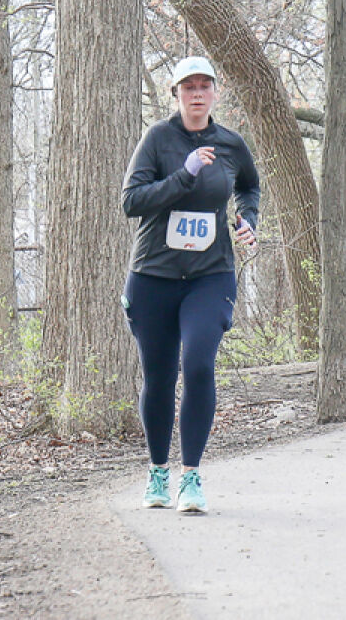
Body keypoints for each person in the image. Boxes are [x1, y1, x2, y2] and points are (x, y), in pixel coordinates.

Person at [120, 56, 260, 514]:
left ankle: (192, 478)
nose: (196, 94)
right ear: (176, 95)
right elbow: (132, 202)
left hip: (210, 274)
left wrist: (247, 219)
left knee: (198, 365)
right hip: (154, 276)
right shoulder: (158, 139)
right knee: (159, 377)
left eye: (204, 86)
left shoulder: (230, 143)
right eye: (188, 87)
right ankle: (158, 472)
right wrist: (184, 176)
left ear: (215, 93)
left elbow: (250, 187)